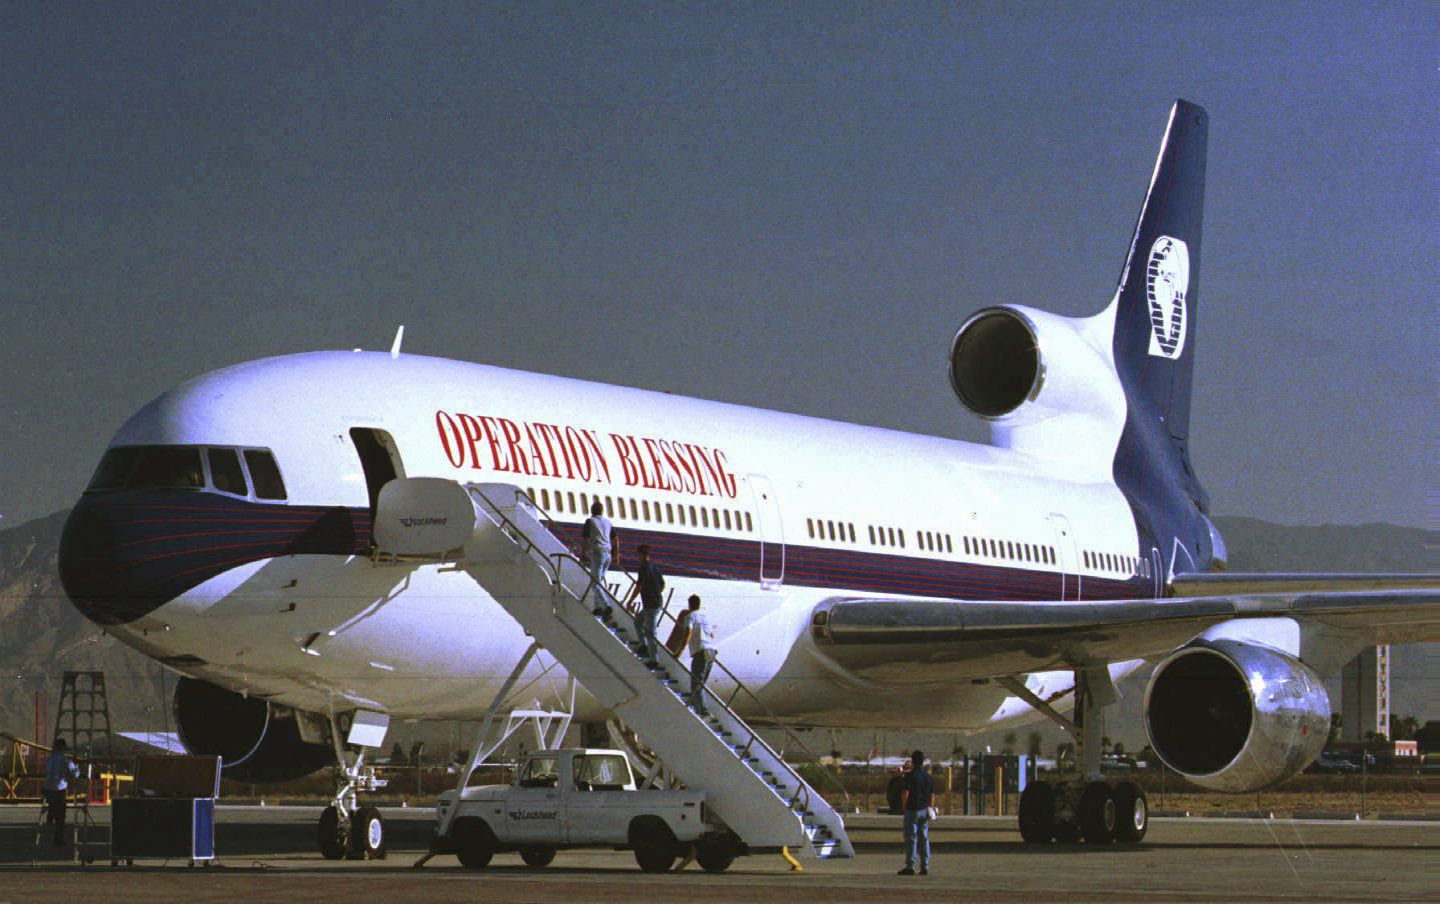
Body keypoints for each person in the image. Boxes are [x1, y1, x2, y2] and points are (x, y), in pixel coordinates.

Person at [897, 749, 933, 876]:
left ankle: (910, 865)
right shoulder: (928, 777)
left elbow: (905, 792)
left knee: (911, 838)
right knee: (923, 837)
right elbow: (931, 795)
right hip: (924, 808)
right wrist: (930, 807)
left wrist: (904, 807)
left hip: (912, 809)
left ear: (912, 761)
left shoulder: (910, 776)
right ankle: (925, 865)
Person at [42, 738, 80, 847]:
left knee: (53, 805)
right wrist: (77, 768)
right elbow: (75, 774)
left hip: (46, 788)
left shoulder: (50, 759)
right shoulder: (65, 760)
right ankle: (58, 839)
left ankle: (50, 814)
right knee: (61, 816)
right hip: (58, 789)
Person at [632, 544, 664, 667]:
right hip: (655, 602)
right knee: (638, 622)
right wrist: (656, 592)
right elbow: (662, 584)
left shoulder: (643, 568)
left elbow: (639, 586)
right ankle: (643, 646)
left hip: (651, 605)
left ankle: (654, 660)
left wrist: (630, 600)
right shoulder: (654, 567)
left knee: (650, 633)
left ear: (641, 555)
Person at [684, 595, 717, 715]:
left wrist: (680, 649)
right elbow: (712, 635)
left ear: (690, 605)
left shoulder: (690, 616)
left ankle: (704, 711)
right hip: (712, 651)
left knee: (697, 682)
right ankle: (696, 703)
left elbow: (688, 632)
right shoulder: (705, 617)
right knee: (700, 683)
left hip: (701, 652)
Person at [582, 501, 615, 615]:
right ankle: (598, 608)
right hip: (608, 554)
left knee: (595, 582)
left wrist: (583, 554)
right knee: (599, 581)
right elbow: (615, 539)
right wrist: (616, 554)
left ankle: (606, 606)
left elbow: (585, 540)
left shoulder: (590, 522)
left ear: (592, 510)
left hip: (598, 553)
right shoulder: (608, 522)